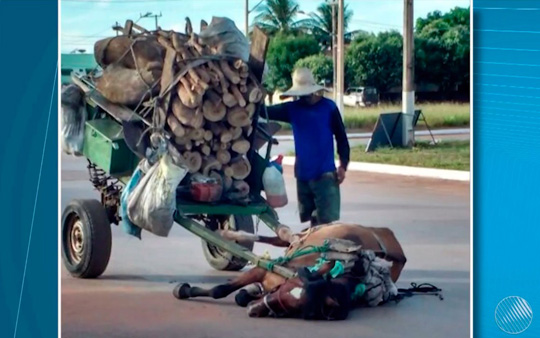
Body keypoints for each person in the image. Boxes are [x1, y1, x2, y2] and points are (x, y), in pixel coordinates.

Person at [264, 68, 350, 227]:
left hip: (325, 176)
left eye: (307, 94)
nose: (305, 97)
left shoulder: (329, 108)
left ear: (314, 90)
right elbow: (265, 112)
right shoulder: (292, 109)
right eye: (301, 94)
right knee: (313, 223)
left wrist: (343, 165)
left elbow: (342, 138)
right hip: (303, 175)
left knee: (326, 224)